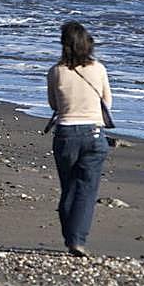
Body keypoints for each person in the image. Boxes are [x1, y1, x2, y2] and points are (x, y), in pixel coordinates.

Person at [46, 20, 112, 257]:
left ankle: (71, 236)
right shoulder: (99, 69)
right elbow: (107, 102)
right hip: (94, 133)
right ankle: (76, 239)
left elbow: (54, 104)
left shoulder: (56, 71)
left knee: (69, 188)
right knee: (86, 189)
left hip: (65, 133)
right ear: (88, 44)